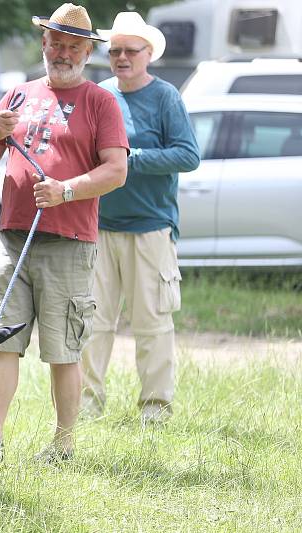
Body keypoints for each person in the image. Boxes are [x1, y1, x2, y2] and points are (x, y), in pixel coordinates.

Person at [0, 3, 129, 466]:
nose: (63, 53)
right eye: (56, 43)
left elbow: (116, 170)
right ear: (44, 44)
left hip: (69, 243)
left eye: (73, 46)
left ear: (86, 52)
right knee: (1, 342)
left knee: (64, 349)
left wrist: (65, 191)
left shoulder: (101, 101)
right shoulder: (17, 95)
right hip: (12, 240)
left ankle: (63, 444)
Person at [80, 12, 200, 424]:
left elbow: (189, 155)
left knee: (153, 326)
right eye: (114, 51)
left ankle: (155, 411)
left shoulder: (166, 97)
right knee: (92, 324)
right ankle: (86, 408)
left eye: (131, 50)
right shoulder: (98, 94)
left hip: (151, 228)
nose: (121, 57)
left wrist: (131, 159)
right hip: (98, 227)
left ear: (149, 54)